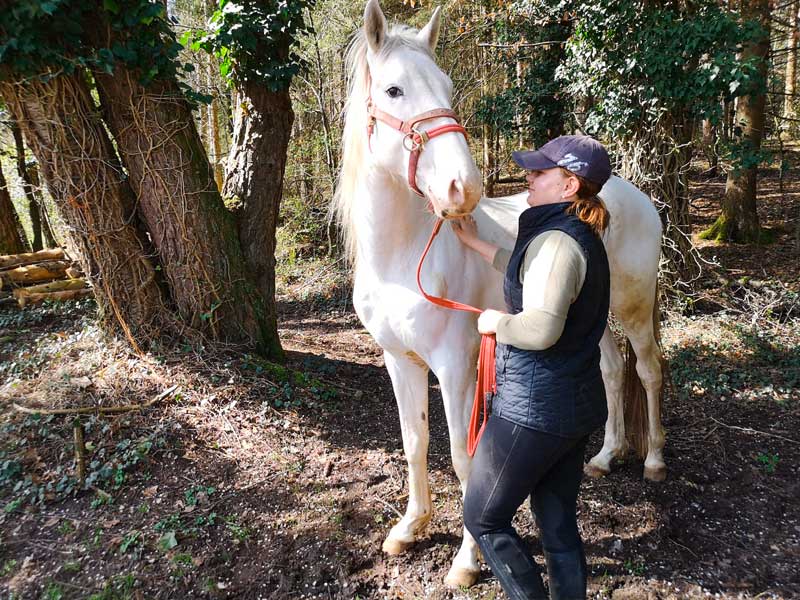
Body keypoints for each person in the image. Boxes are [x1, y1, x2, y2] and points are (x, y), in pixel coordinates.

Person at [452, 135, 612, 600]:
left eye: (540, 173)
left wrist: (495, 322)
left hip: (535, 411)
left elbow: (540, 328)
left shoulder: (558, 242)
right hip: (572, 408)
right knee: (557, 520)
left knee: (483, 517)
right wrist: (476, 243)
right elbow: (531, 273)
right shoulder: (573, 233)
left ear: (569, 185)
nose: (529, 178)